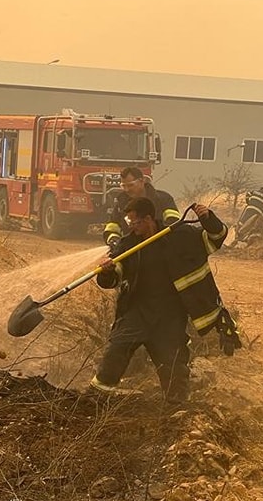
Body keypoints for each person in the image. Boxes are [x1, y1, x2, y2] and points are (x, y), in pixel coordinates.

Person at [90, 197, 240, 406]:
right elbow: (113, 277)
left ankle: (175, 411)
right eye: (129, 222)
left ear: (149, 218)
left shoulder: (180, 236)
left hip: (170, 317)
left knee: (173, 366)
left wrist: (208, 219)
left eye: (135, 222)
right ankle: (95, 400)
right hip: (136, 312)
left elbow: (215, 238)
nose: (132, 227)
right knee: (116, 352)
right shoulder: (128, 244)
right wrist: (106, 271)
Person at [102, 166, 180, 253]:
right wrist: (113, 239)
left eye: (131, 185)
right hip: (132, 251)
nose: (127, 190)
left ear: (142, 181)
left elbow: (174, 221)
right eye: (123, 186)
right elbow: (113, 226)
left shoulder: (163, 199)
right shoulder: (121, 203)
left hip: (161, 248)